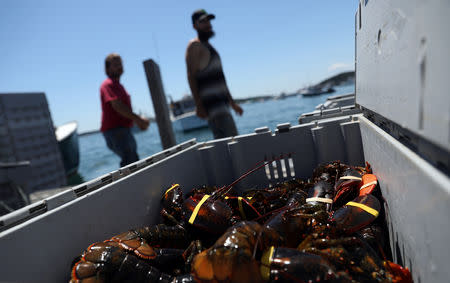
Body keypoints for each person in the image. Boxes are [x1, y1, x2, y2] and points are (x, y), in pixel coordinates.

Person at [186, 9, 243, 139]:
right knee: (231, 146)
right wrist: (199, 105)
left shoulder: (209, 47)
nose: (208, 24)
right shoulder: (195, 46)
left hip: (223, 106)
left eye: (209, 20)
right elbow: (191, 76)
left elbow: (220, 78)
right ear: (194, 26)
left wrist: (232, 103)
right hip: (213, 108)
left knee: (233, 144)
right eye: (203, 21)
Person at [100, 53, 150, 167]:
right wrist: (139, 120)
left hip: (123, 130)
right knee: (131, 162)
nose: (120, 66)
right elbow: (117, 106)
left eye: (121, 63)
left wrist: (137, 121)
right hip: (116, 131)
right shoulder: (108, 85)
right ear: (107, 68)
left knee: (133, 160)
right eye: (116, 64)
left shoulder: (118, 85)